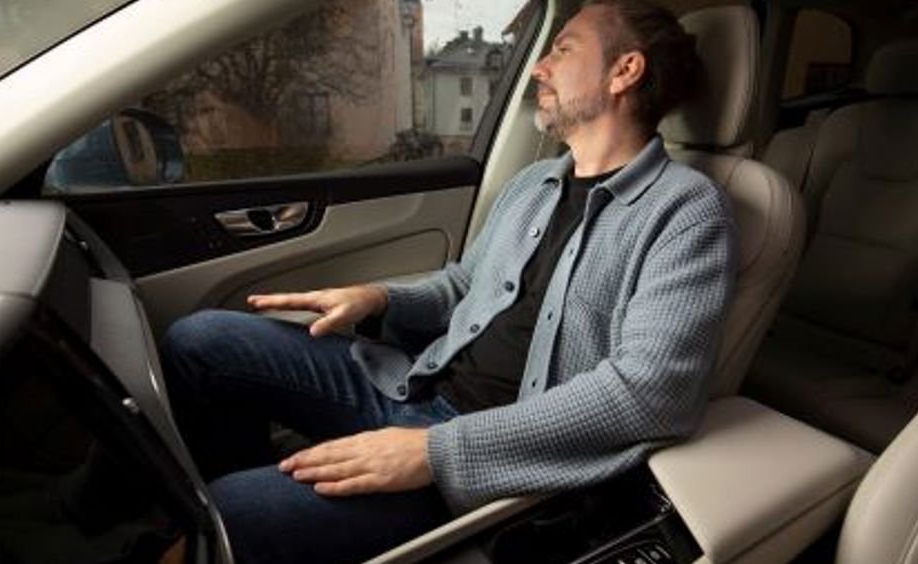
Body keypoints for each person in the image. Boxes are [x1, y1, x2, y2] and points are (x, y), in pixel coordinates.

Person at [161, 1, 736, 562]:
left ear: (624, 70)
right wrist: (379, 300)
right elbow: (463, 286)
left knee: (230, 513)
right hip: (414, 386)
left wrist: (435, 452)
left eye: (563, 49)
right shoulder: (535, 182)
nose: (540, 67)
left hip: (490, 462)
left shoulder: (685, 211)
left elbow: (651, 393)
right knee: (201, 341)